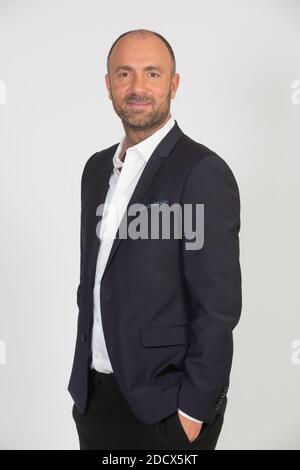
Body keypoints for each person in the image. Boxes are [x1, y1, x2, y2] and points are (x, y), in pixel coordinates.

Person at [68, 28, 242, 450]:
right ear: (108, 85)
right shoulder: (96, 170)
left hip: (165, 410)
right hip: (94, 402)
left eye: (152, 73)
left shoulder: (201, 171)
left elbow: (217, 308)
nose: (138, 88)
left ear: (174, 84)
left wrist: (193, 412)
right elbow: (97, 281)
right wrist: (82, 396)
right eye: (125, 74)